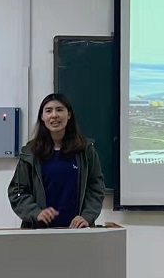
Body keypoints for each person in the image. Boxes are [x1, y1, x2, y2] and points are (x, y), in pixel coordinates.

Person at [8, 93, 105, 228]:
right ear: (42, 117)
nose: (54, 115)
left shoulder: (85, 150)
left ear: (69, 114)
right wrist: (35, 212)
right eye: (48, 111)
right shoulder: (30, 152)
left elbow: (96, 187)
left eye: (59, 110)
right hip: (39, 232)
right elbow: (17, 191)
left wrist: (87, 216)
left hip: (77, 232)